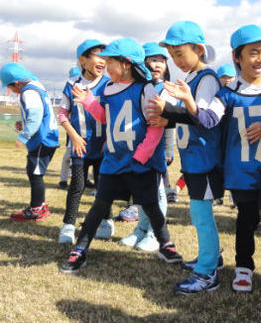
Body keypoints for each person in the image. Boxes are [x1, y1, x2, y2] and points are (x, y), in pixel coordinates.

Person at [157, 24, 261, 292]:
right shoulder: (227, 92)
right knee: (246, 222)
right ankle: (244, 268)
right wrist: (188, 102)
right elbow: (208, 119)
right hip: (243, 172)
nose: (260, 59)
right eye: (253, 53)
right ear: (237, 57)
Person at [59, 37, 182, 274]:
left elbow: (155, 125)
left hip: (140, 163)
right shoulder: (107, 88)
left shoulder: (145, 88)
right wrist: (88, 101)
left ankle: (166, 244)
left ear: (126, 64)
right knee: (98, 206)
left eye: (110, 62)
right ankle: (80, 249)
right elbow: (104, 117)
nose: (106, 66)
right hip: (113, 162)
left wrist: (143, 155)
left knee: (151, 205)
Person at [147, 21, 224, 294]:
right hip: (193, 158)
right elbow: (184, 118)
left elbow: (202, 118)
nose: (176, 60)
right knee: (199, 213)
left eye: (181, 53)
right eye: (173, 55)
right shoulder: (191, 78)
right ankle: (213, 257)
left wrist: (167, 109)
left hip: (205, 159)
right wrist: (164, 117)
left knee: (201, 215)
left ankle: (207, 273)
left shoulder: (207, 79)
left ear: (199, 49)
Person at [119, 42, 176, 252]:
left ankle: (155, 233)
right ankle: (141, 229)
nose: (156, 64)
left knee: (157, 193)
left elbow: (167, 122)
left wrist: (168, 150)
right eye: (151, 60)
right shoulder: (137, 87)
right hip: (136, 149)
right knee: (140, 192)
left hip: (155, 152)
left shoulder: (166, 88)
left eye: (161, 60)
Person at [58, 39, 112, 244]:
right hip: (79, 146)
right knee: (77, 186)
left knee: (103, 186)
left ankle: (106, 223)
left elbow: (111, 115)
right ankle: (68, 225)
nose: (102, 61)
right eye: (98, 56)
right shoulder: (71, 85)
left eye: (104, 57)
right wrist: (74, 137)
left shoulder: (108, 84)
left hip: (103, 148)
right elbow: (63, 114)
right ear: (83, 60)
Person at [1, 63, 59, 221]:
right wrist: (24, 123)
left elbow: (35, 116)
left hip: (42, 139)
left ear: (17, 83)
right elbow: (38, 114)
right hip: (46, 137)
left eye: (11, 88)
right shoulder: (36, 86)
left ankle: (37, 209)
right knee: (33, 171)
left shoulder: (28, 92)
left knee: (35, 174)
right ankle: (40, 205)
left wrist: (23, 136)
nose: (12, 92)